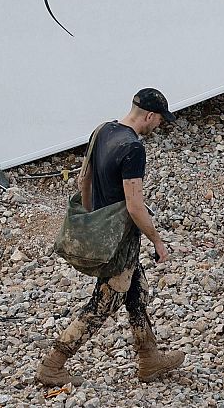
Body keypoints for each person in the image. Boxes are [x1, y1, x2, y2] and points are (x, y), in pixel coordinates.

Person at [36, 88, 185, 386]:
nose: (159, 125)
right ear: (150, 116)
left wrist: (94, 218)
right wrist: (157, 240)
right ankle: (53, 364)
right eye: (160, 120)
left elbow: (84, 180)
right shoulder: (133, 149)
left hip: (109, 235)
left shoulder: (103, 131)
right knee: (103, 304)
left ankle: (149, 358)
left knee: (137, 292)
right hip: (119, 243)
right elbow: (135, 205)